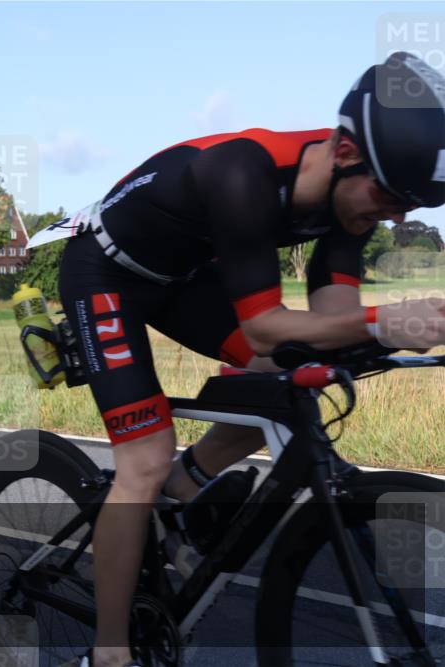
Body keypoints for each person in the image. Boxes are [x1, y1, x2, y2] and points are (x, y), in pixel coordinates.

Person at [29, 52, 445, 667]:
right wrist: (386, 322)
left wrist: (393, 332)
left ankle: (187, 482)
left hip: (185, 276)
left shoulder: (351, 198)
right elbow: (265, 325)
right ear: (347, 153)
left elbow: (327, 323)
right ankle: (109, 652)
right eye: (389, 195)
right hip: (106, 271)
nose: (395, 214)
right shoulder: (242, 173)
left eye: (407, 204)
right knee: (142, 459)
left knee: (287, 379)